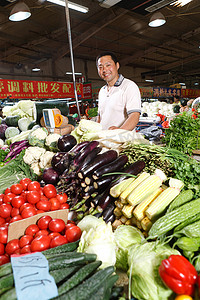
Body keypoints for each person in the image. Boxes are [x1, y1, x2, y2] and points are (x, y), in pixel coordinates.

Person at [96, 52, 141, 130]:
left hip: (122, 140)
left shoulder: (129, 86)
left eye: (108, 65)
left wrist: (119, 132)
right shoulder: (102, 91)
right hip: (104, 139)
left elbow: (134, 115)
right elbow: (100, 117)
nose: (104, 70)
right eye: (100, 67)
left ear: (117, 66)